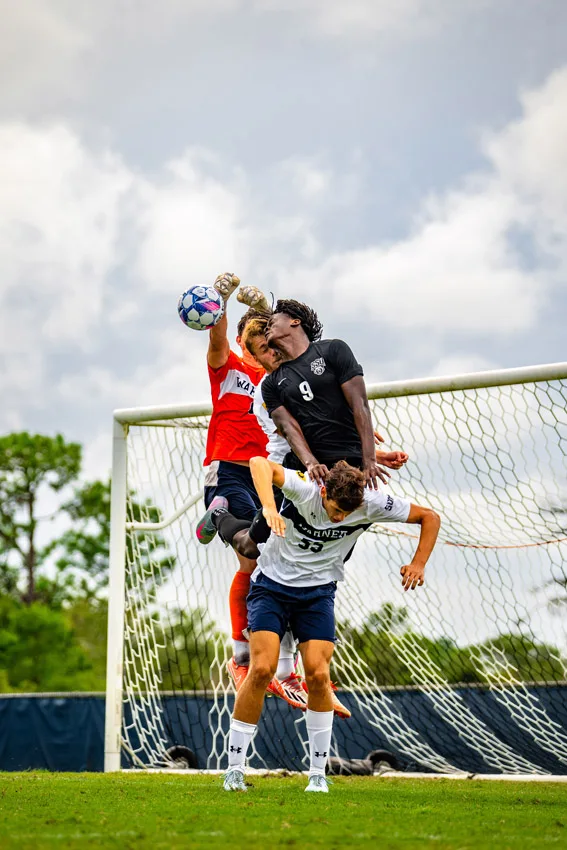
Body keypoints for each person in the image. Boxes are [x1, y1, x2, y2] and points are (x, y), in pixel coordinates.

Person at [207, 456, 440, 792]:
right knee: (261, 670)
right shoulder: (305, 488)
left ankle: (317, 774)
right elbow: (259, 463)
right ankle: (234, 770)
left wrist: (418, 563)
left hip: (317, 595)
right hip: (271, 587)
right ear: (324, 493)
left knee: (318, 675)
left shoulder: (372, 501)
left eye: (348, 513)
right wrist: (269, 507)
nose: (340, 518)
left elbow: (429, 517)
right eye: (336, 510)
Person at [262, 300, 408, 487]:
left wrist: (370, 460)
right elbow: (288, 428)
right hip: (312, 472)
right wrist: (311, 463)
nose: (267, 328)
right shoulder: (271, 384)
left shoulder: (333, 350)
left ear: (295, 321)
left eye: (272, 322)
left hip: (352, 465)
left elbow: (360, 405)